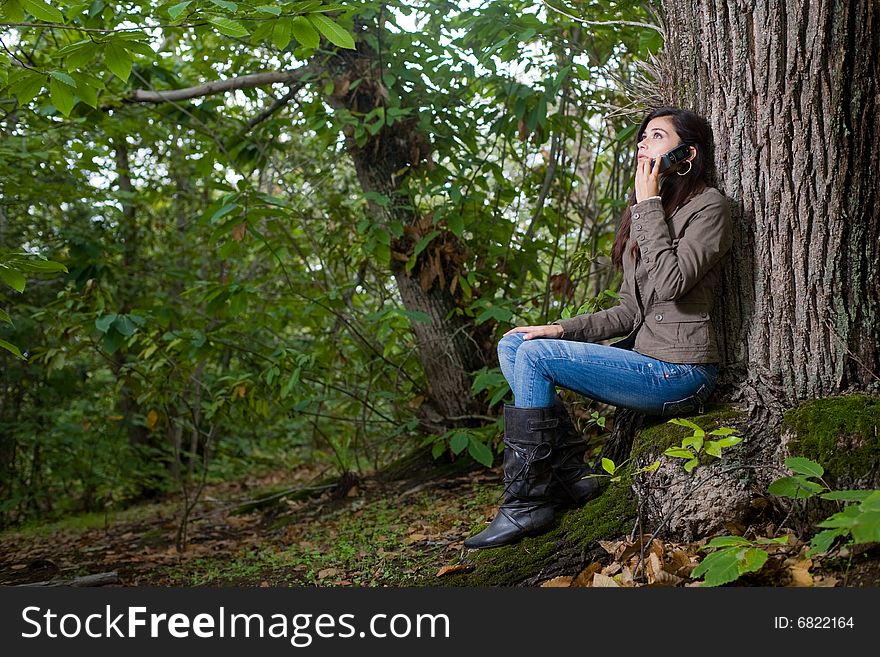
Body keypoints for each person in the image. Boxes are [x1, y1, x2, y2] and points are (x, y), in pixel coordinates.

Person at [464, 107, 733, 550]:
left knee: (531, 356)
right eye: (642, 137)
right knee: (516, 343)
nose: (643, 144)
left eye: (657, 136)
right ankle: (570, 475)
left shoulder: (710, 208)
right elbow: (628, 311)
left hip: (683, 374)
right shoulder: (650, 214)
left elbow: (671, 284)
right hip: (646, 362)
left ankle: (528, 502)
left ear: (686, 154)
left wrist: (647, 204)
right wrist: (559, 328)